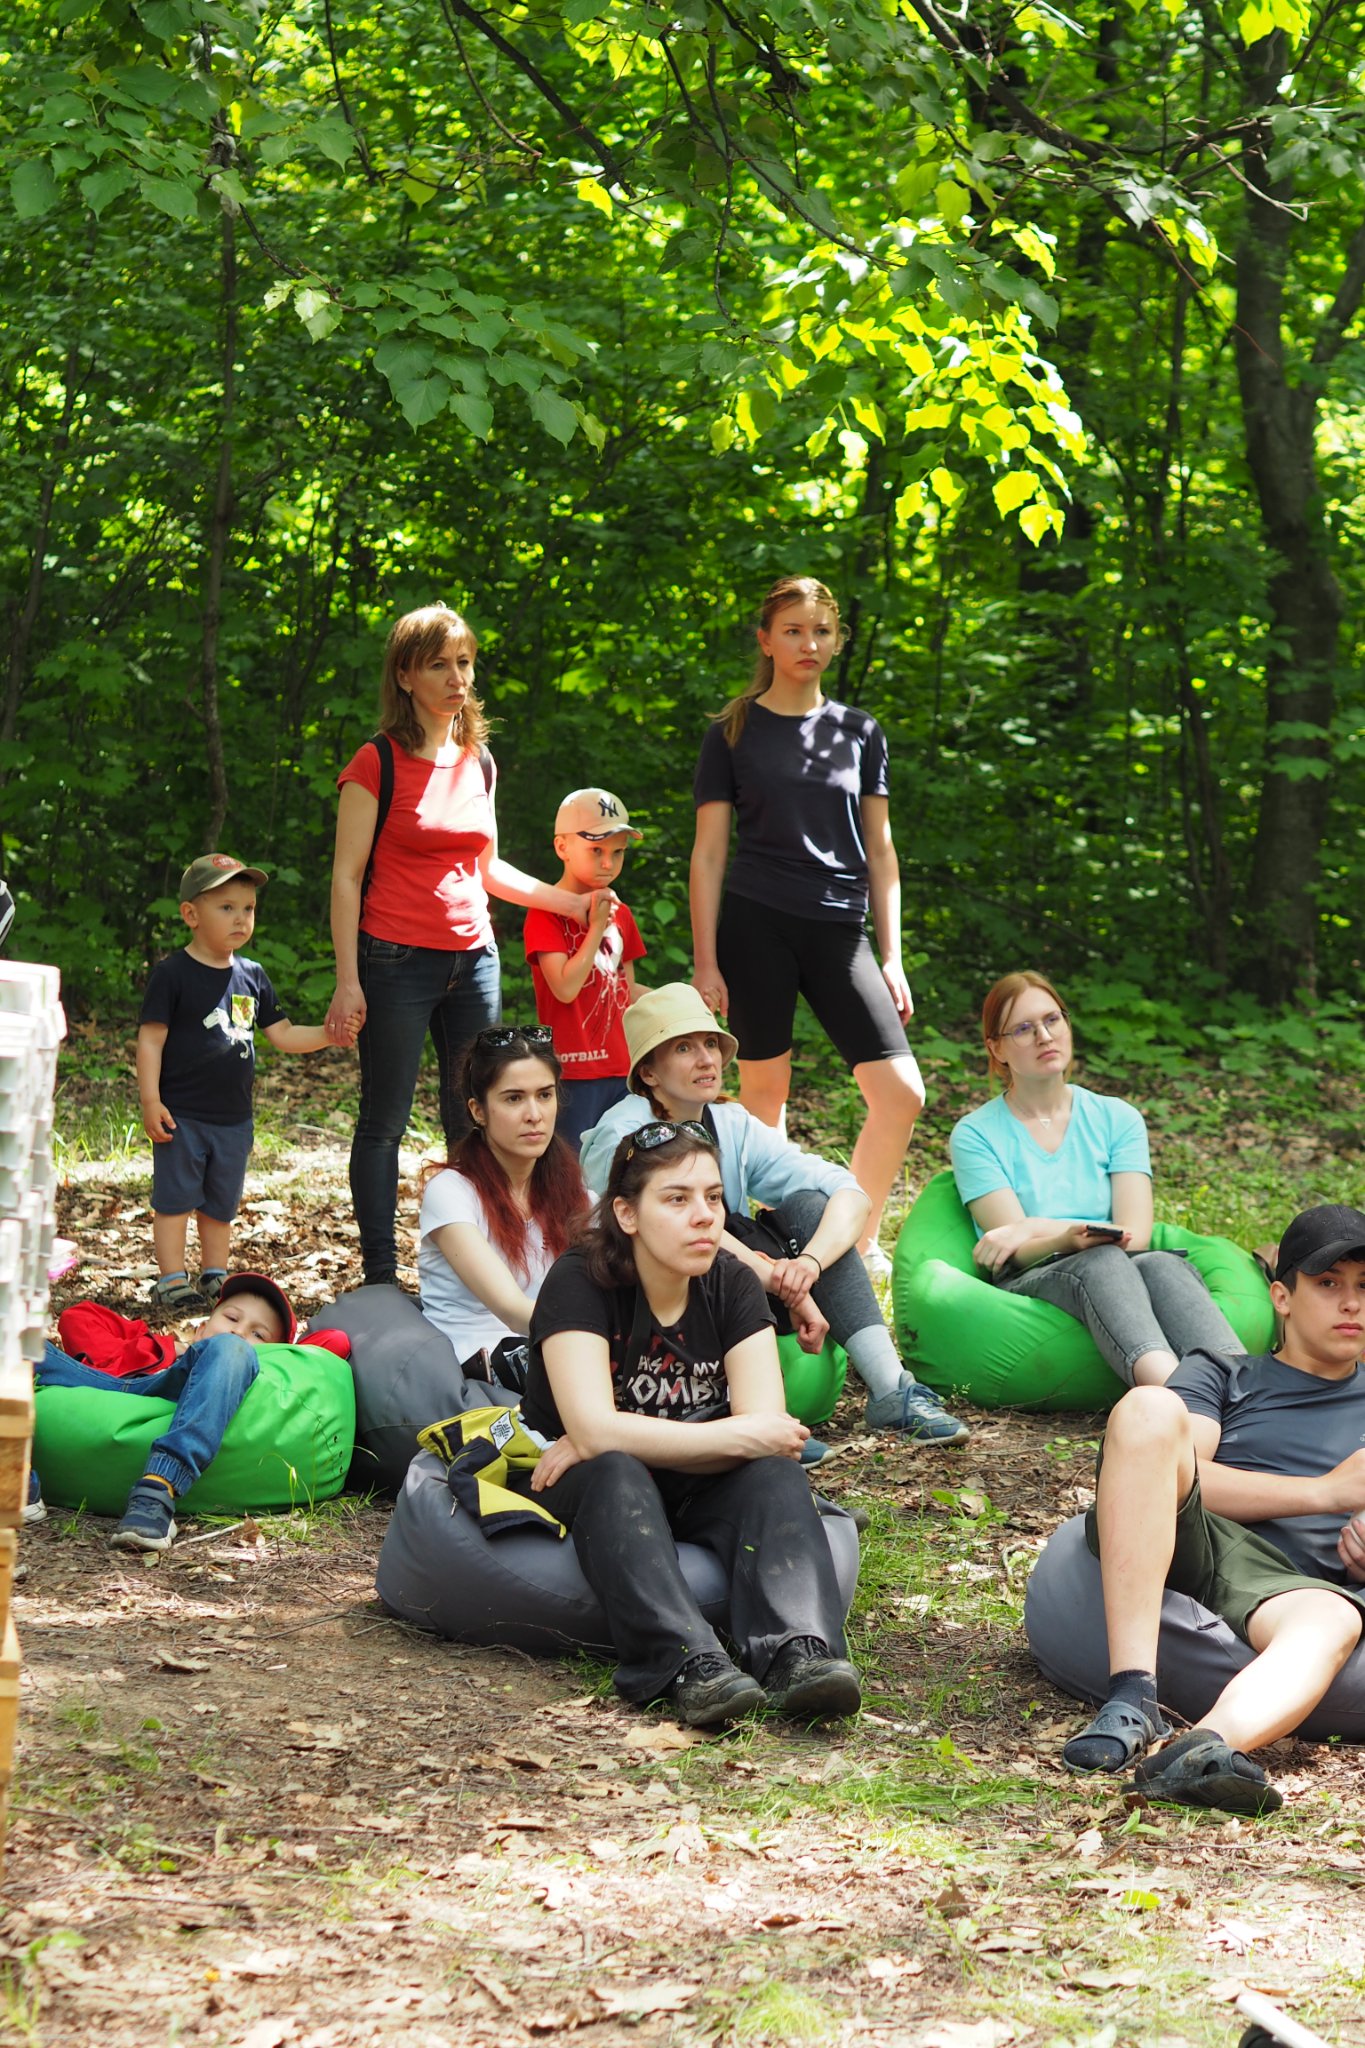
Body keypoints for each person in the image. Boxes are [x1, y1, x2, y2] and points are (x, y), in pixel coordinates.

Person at [521, 1121, 862, 1727]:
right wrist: (731, 1435)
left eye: (711, 1197)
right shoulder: (579, 1280)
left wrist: (624, 1431)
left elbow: (767, 1433)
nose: (704, 1216)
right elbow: (601, 1435)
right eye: (676, 1200)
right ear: (626, 1214)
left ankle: (797, 1655)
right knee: (615, 1470)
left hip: (697, 1474)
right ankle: (688, 1664)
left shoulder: (731, 1281)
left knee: (775, 1479)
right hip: (587, 1481)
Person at [324, 603, 598, 1287]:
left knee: (474, 1121)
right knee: (384, 1121)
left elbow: (489, 868)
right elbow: (346, 875)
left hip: (474, 959)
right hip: (393, 960)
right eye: (438, 664)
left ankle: (476, 1270)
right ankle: (383, 1276)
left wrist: (571, 901)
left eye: (464, 663)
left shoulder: (477, 760)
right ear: (406, 675)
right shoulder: (376, 761)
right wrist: (348, 978)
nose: (455, 678)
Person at [1060, 1205, 1365, 1817]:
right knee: (1149, 1408)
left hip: (1295, 1585)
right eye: (1328, 1284)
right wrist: (1323, 1493)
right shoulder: (1224, 1374)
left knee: (1330, 1621)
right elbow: (1171, 1470)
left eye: (1364, 1288)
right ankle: (1132, 1695)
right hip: (1192, 1538)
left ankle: (1201, 1751)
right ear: (1282, 1296)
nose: (1351, 1304)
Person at [580, 985, 968, 1448]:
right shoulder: (623, 1134)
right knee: (688, 1240)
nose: (706, 1060)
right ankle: (744, 1421)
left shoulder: (732, 1123)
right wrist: (770, 1276)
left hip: (735, 1284)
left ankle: (891, 1388)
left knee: (810, 1204)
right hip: (651, 1297)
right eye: (683, 1048)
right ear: (648, 1072)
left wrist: (808, 1267)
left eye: (710, 1044)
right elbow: (668, 1231)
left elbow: (847, 1191)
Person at [690, 574, 923, 1276]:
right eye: (793, 630)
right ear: (765, 639)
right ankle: (768, 1248)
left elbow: (880, 851)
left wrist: (892, 955)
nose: (808, 643)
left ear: (837, 640)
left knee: (901, 1092)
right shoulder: (730, 732)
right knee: (764, 1099)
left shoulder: (859, 732)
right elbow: (707, 855)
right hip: (753, 926)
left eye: (821, 631)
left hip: (838, 929)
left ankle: (857, 1238)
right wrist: (706, 962)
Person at [950, 971, 1242, 1389]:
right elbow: (1013, 1252)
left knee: (1161, 1263)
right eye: (1024, 1029)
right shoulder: (975, 1134)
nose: (1044, 1036)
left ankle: (1247, 1390)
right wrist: (1064, 1239)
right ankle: (1180, 1397)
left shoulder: (1116, 1117)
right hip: (1035, 1273)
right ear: (996, 1048)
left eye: (1053, 1020)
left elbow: (1136, 1235)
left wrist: (1032, 1225)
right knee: (1102, 1260)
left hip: (1119, 1260)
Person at [138, 856, 346, 1311]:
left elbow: (283, 1034)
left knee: (220, 1203)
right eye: (227, 907)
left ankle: (215, 1274)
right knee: (175, 1199)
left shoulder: (251, 976)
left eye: (248, 909)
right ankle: (171, 1279)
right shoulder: (172, 975)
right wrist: (151, 1099)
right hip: (182, 1114)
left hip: (234, 1119)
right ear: (191, 915)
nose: (241, 918)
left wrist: (329, 1035)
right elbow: (151, 1040)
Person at [36, 1272, 297, 1553]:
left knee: (232, 1349)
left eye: (258, 1334)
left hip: (179, 1389)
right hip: (110, 1383)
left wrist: (231, 1349)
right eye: (232, 1318)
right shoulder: (156, 1345)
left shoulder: (236, 1355)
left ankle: (157, 1491)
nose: (240, 1331)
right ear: (200, 1329)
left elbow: (333, 1342)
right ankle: (14, 1469)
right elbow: (78, 1317)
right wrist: (161, 1348)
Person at [418, 1027, 589, 1371]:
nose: (534, 1114)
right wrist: (602, 1336)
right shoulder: (451, 1191)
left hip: (552, 1353)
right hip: (474, 1375)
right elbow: (512, 1309)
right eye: (513, 1098)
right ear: (478, 1111)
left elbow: (644, 1224)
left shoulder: (569, 1188)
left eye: (544, 1095)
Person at [523, 788, 646, 1151]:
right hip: (572, 1073)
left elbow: (627, 990)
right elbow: (564, 987)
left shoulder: (621, 913)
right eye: (597, 850)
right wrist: (596, 927)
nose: (608, 863)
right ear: (562, 847)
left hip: (622, 1070)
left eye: (618, 852)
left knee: (621, 1170)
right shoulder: (544, 913)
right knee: (571, 1171)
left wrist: (682, 1002)